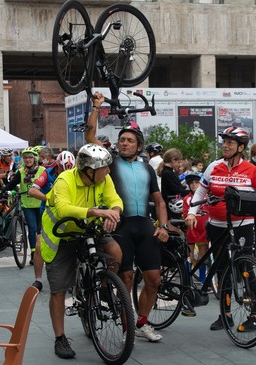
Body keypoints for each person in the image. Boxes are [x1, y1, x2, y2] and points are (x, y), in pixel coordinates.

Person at [86, 92, 170, 343]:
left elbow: (159, 201)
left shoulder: (146, 167)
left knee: (154, 280)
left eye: (129, 141)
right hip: (120, 226)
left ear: (139, 145)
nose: (124, 143)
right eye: (122, 139)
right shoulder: (110, 160)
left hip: (144, 225)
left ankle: (142, 322)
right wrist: (96, 108)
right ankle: (126, 329)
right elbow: (90, 137)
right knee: (127, 279)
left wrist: (163, 225)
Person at [40, 144, 123, 359]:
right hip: (62, 233)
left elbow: (114, 199)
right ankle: (60, 338)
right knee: (58, 289)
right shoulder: (64, 180)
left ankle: (105, 286)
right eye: (104, 168)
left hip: (89, 226)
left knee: (115, 251)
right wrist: (98, 211)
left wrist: (114, 212)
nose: (108, 171)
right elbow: (63, 209)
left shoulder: (104, 178)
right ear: (89, 170)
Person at [185, 126, 256, 331]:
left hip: (243, 225)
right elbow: (201, 191)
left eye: (230, 142)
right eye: (224, 142)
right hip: (217, 225)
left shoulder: (250, 169)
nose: (225, 145)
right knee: (222, 271)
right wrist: (192, 213)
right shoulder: (214, 166)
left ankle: (255, 316)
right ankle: (226, 315)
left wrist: (241, 198)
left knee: (246, 268)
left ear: (241, 147)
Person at [27, 150, 76, 291]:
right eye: (62, 170)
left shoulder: (75, 174)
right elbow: (32, 191)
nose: (65, 173)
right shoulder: (47, 173)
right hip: (49, 214)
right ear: (57, 166)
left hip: (67, 213)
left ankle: (74, 278)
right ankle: (38, 279)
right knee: (39, 247)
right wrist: (50, 198)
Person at [0, 147, 45, 266]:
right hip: (27, 204)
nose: (28, 160)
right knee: (32, 229)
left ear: (35, 159)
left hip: (41, 204)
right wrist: (1, 191)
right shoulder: (21, 172)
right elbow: (11, 184)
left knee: (41, 230)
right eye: (26, 157)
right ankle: (33, 254)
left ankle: (42, 252)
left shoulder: (43, 170)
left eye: (30, 157)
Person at [182, 172, 209, 286]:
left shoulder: (206, 197)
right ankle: (187, 280)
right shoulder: (187, 199)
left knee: (203, 255)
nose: (194, 185)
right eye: (191, 183)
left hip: (204, 229)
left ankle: (202, 278)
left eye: (196, 182)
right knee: (190, 255)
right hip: (192, 229)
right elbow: (184, 214)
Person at [157, 148, 189, 219]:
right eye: (178, 162)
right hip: (172, 206)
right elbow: (177, 190)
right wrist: (192, 192)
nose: (179, 164)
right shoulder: (168, 173)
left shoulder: (169, 172)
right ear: (173, 160)